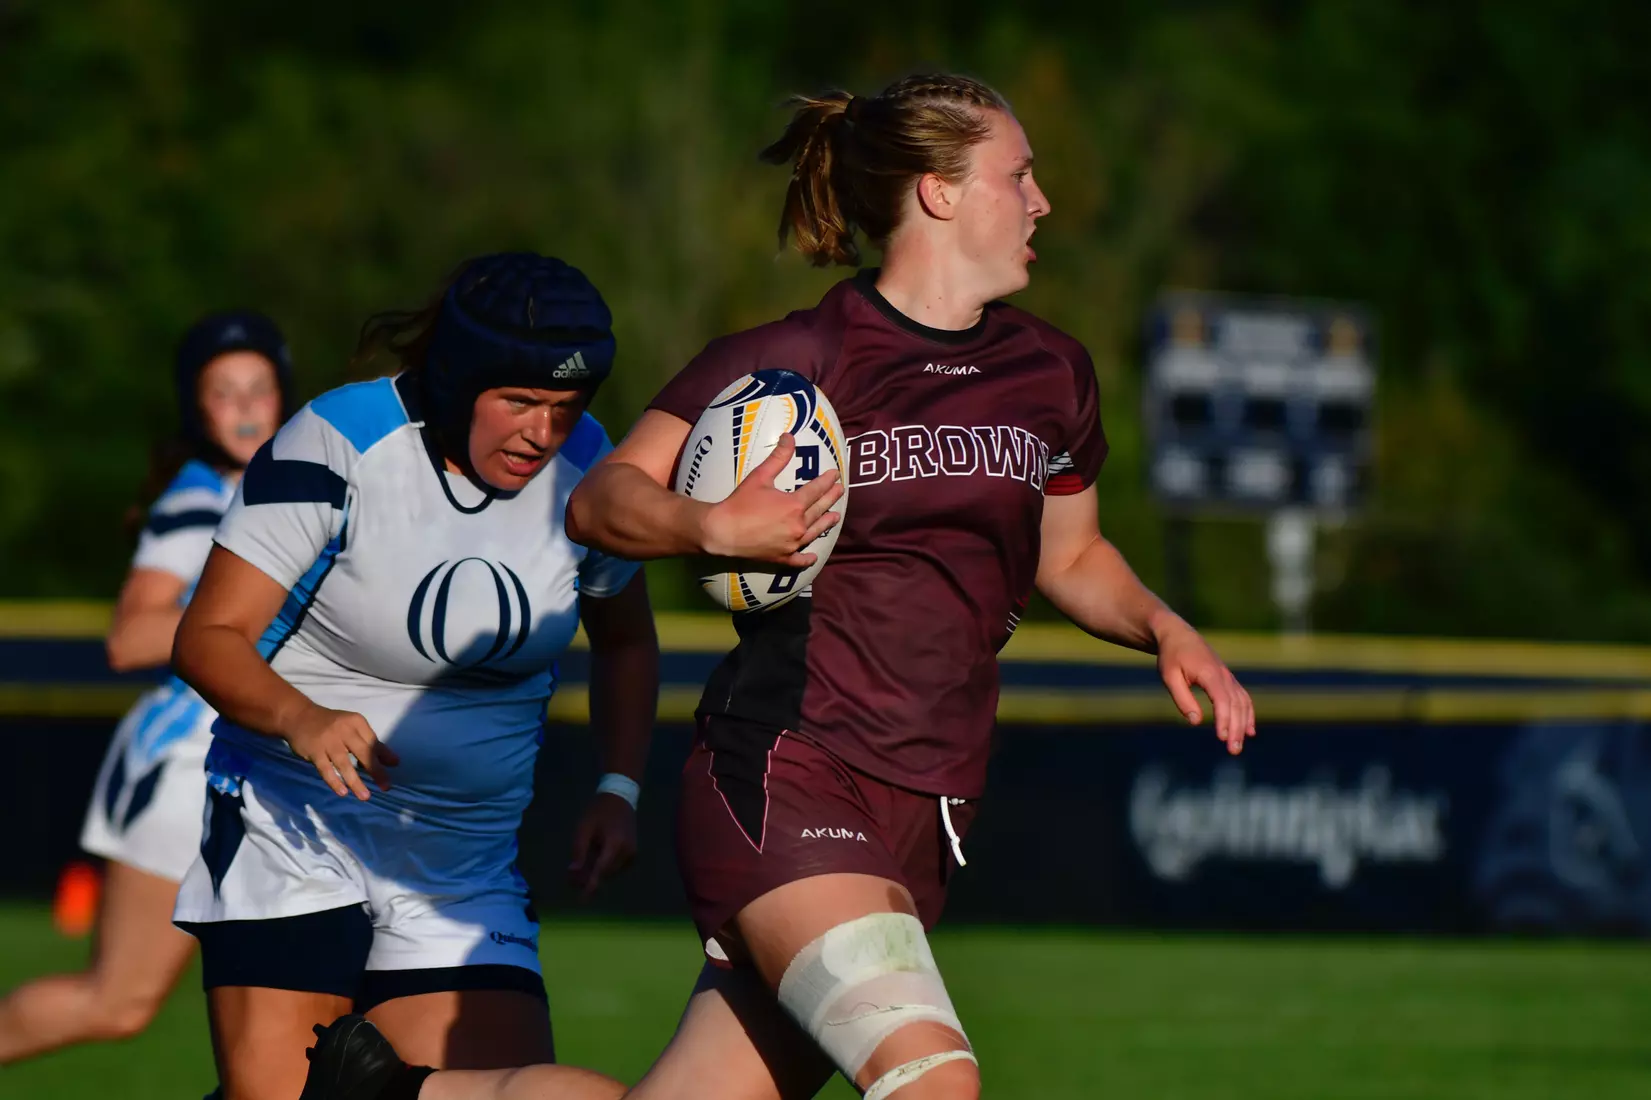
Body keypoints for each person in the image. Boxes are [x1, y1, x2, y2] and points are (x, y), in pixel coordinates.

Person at [300, 73, 1255, 1100]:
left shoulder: (1052, 370)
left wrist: (1162, 625)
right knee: (934, 1081)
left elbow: (1069, 556)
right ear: (937, 191)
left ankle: (387, 1094)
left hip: (926, 808)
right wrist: (709, 523)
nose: (1041, 202)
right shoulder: (795, 360)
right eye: (1018, 176)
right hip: (784, 778)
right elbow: (601, 500)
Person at [169, 253, 660, 1100]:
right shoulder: (342, 440)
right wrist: (301, 717)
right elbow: (207, 636)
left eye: (565, 406)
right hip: (295, 830)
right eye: (519, 401)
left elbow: (625, 643)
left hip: (462, 867)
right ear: (459, 377)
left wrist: (619, 785)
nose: (543, 433)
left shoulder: (589, 465)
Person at [0, 311, 294, 1065]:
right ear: (197, 409)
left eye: (257, 389)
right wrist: (250, 610)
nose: (244, 408)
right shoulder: (203, 497)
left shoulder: (288, 486)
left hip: (262, 767)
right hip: (183, 768)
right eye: (222, 392)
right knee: (118, 1001)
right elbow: (131, 636)